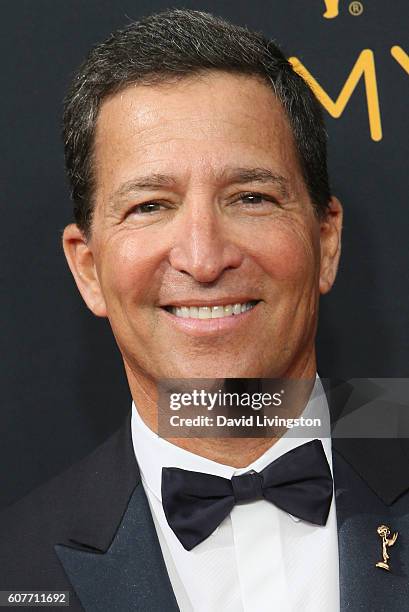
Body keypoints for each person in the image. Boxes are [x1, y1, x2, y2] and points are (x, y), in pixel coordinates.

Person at [1, 9, 409, 611]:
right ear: (88, 268)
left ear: (326, 244)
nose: (203, 257)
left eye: (250, 197)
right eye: (149, 206)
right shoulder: (15, 562)